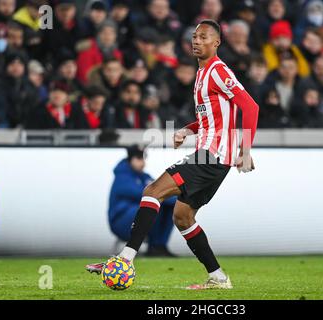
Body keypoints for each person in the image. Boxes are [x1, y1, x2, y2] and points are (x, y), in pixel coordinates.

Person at [86, 19, 259, 290]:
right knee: (182, 216)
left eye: (203, 37)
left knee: (152, 191)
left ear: (216, 43)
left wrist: (245, 151)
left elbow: (250, 107)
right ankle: (219, 278)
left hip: (212, 156)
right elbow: (210, 121)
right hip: (213, 157)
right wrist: (187, 131)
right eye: (194, 36)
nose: (196, 41)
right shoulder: (202, 74)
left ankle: (124, 259)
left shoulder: (218, 71)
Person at [108, 145, 176, 257]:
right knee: (155, 204)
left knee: (171, 205)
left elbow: (160, 190)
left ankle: (159, 246)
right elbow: (146, 193)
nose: (143, 162)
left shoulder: (144, 176)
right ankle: (154, 246)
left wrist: (173, 197)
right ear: (130, 159)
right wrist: (169, 196)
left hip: (135, 217)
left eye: (143, 158)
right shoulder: (122, 176)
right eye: (139, 158)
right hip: (120, 221)